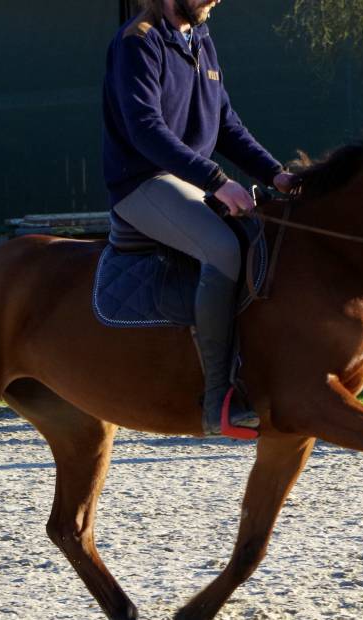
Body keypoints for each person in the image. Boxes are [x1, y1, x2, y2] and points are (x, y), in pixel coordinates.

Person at [102, 0, 296, 435]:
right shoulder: (138, 42)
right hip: (142, 182)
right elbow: (146, 129)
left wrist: (274, 173)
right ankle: (217, 400)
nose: (215, 0)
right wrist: (217, 181)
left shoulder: (200, 39)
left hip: (189, 181)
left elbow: (226, 123)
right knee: (223, 248)